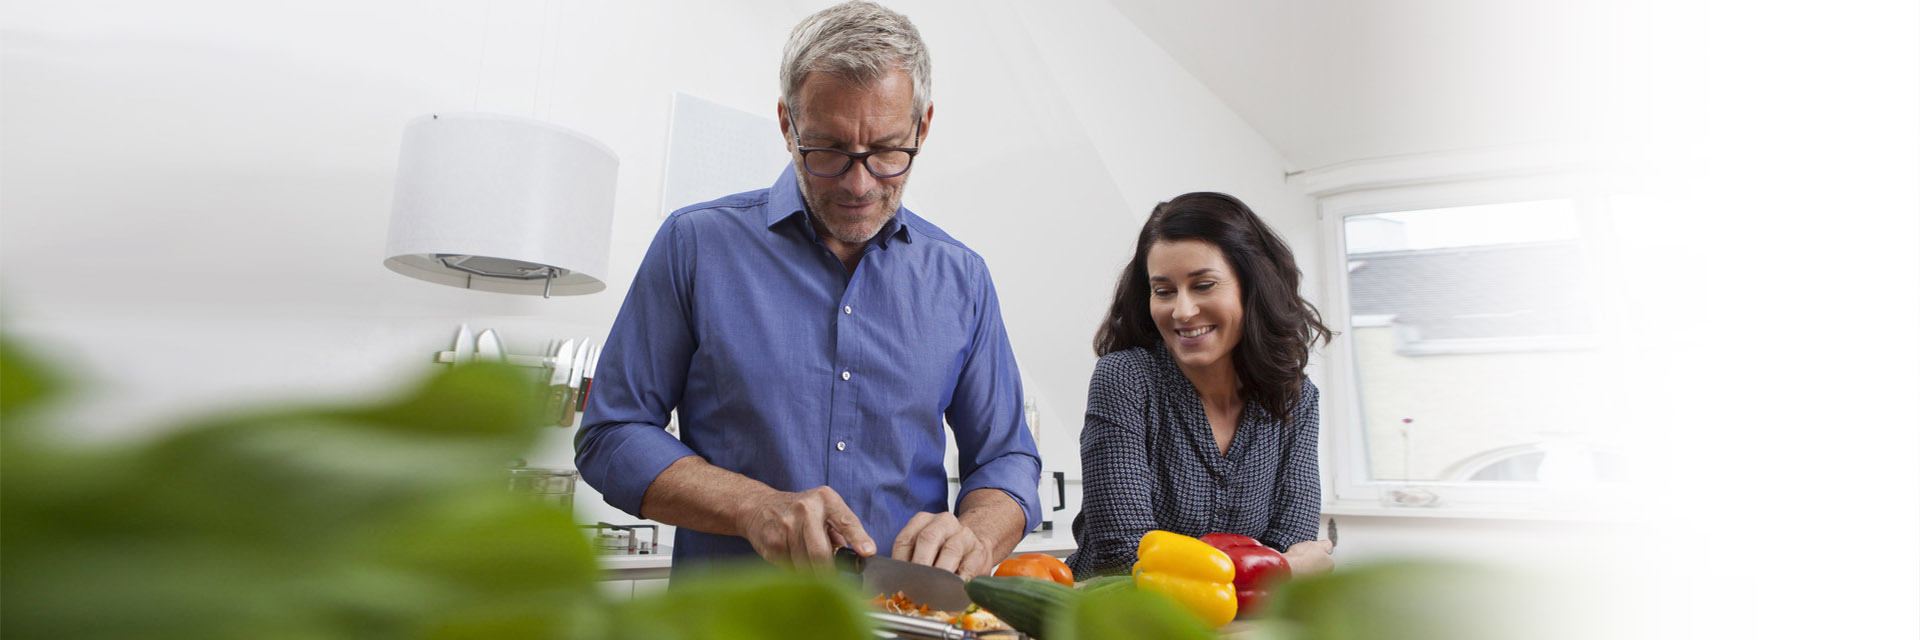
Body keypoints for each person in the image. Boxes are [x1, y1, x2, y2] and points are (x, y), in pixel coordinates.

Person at [575, 1, 1040, 580]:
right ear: (786, 124)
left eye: (889, 152)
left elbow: (1007, 458)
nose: (859, 183)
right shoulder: (694, 245)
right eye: (828, 150)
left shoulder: (962, 279)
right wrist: (753, 507)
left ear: (922, 127)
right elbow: (612, 435)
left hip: (903, 618)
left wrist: (976, 534)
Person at [1066, 192, 1336, 580]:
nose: (1182, 310)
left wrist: (1277, 570)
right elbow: (1125, 559)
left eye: (1204, 285)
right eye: (1163, 291)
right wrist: (1278, 572)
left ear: (1253, 287)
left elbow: (1291, 539)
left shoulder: (1295, 397)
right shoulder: (1125, 378)